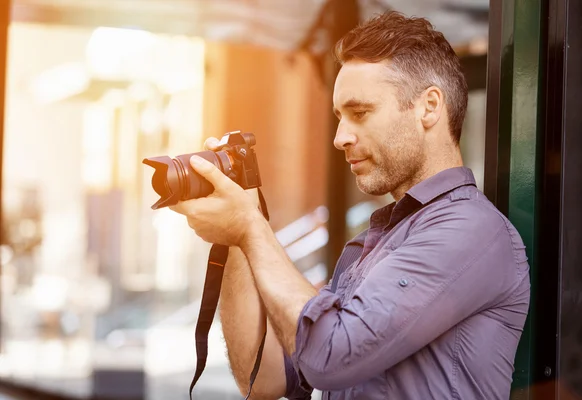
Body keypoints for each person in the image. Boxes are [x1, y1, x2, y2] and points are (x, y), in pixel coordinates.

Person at [170, 11, 530, 400]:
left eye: (360, 113)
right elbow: (264, 380)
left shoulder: (469, 230)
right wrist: (238, 234)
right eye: (340, 117)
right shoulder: (377, 244)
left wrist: (251, 229)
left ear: (429, 107)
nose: (340, 137)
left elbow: (333, 355)